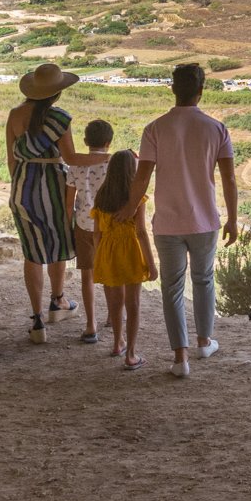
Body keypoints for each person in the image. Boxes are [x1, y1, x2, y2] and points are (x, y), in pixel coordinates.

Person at [127, 63, 237, 378]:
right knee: (204, 280)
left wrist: (128, 210)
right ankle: (204, 341)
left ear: (173, 89)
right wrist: (232, 219)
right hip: (205, 221)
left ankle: (180, 360)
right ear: (200, 92)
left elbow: (142, 178)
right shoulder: (217, 129)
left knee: (172, 289)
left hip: (167, 224)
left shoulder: (154, 129)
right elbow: (228, 179)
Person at [6, 63, 109, 345]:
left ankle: (38, 321)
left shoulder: (14, 115)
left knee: (32, 252)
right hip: (52, 186)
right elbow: (73, 159)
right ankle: (58, 302)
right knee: (57, 245)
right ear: (56, 94)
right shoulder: (60, 118)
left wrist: (23, 187)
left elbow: (11, 160)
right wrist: (108, 158)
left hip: (22, 188)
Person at [90, 150, 157, 370]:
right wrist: (152, 264)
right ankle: (131, 354)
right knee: (133, 304)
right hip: (129, 252)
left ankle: (117, 343)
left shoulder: (101, 195)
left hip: (107, 253)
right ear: (132, 170)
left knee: (114, 303)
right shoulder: (135, 198)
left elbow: (96, 233)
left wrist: (99, 258)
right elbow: (141, 232)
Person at [68, 119, 115, 344]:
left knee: (87, 275)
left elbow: (70, 202)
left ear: (85, 141)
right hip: (108, 226)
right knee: (110, 274)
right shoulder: (113, 164)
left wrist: (69, 225)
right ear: (109, 142)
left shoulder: (75, 165)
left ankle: (90, 325)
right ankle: (113, 317)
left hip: (84, 225)